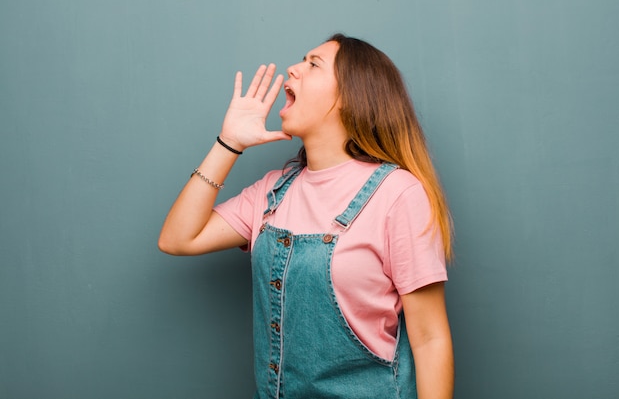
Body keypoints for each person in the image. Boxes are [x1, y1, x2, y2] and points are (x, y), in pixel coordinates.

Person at [159, 34, 454, 399]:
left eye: (313, 64)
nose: (293, 69)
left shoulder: (397, 194)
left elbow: (429, 339)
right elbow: (177, 239)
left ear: (351, 96)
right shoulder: (272, 192)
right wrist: (228, 142)